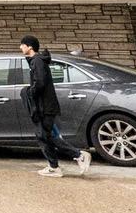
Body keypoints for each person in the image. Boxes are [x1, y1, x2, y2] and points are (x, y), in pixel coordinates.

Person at [19, 34, 91, 177]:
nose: (20, 47)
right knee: (45, 136)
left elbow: (40, 83)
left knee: (45, 136)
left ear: (30, 47)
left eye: (22, 44)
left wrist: (29, 92)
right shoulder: (36, 61)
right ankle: (54, 167)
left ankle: (78, 155)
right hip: (45, 106)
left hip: (45, 107)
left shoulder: (37, 61)